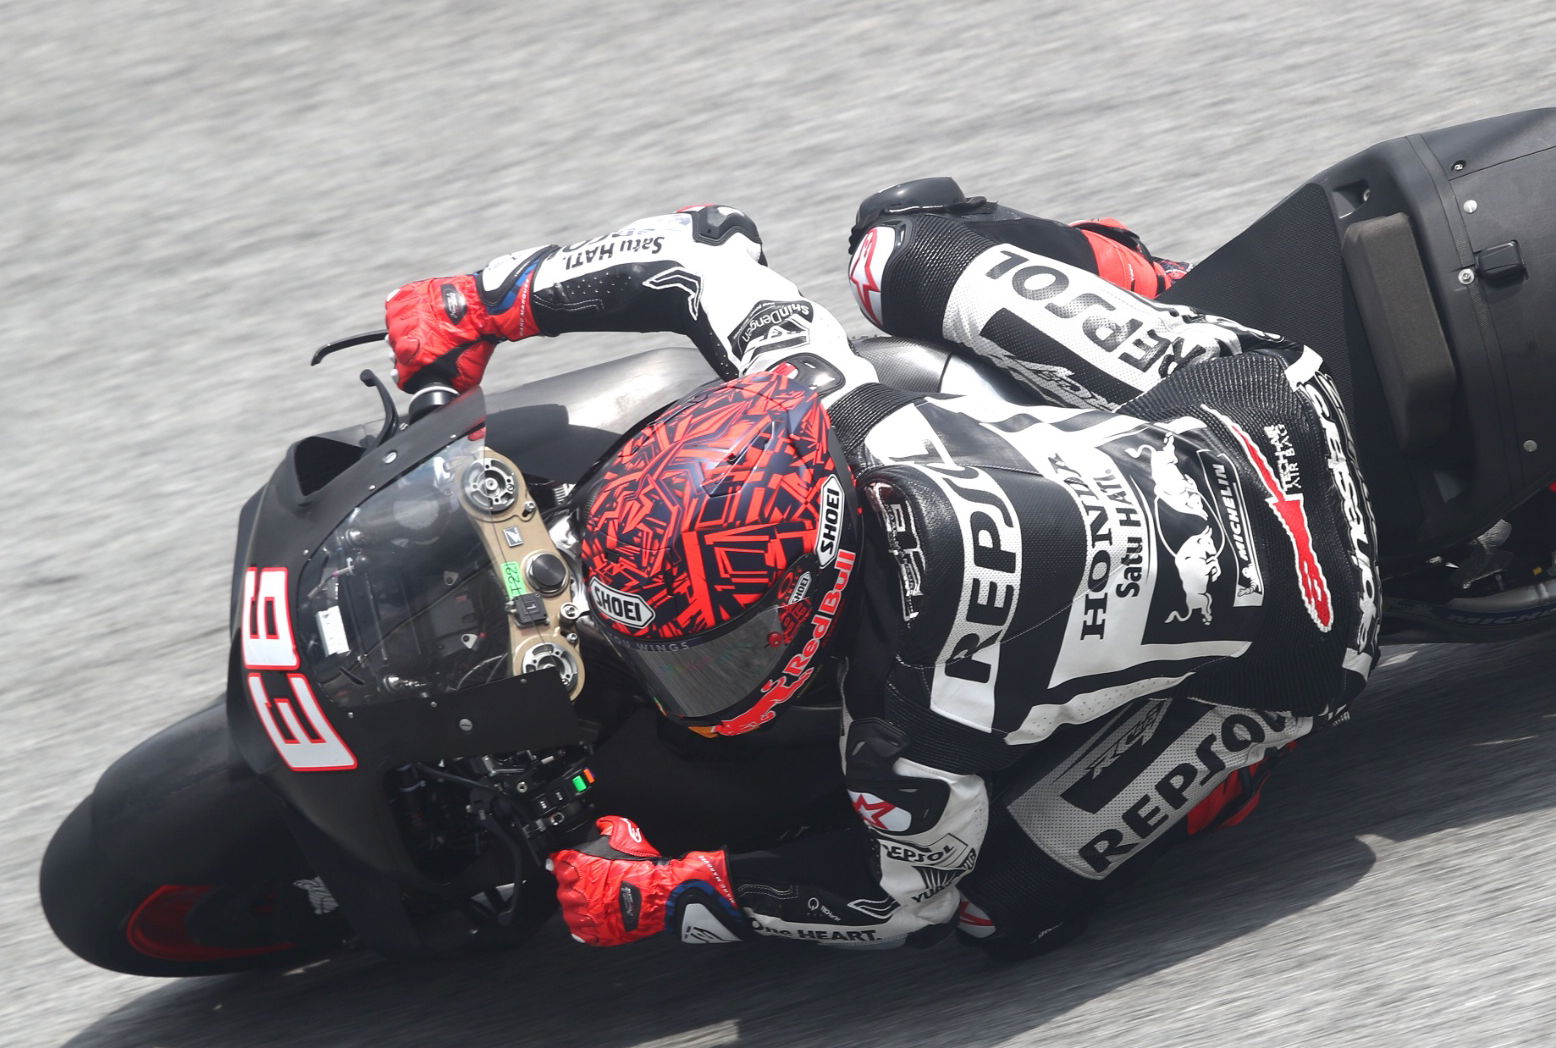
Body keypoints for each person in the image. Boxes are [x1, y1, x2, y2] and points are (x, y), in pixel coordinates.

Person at [381, 179, 1379, 958]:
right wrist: (485, 301)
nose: (676, 679)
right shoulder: (828, 397)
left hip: (1314, 632)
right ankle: (1141, 280)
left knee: (1000, 913)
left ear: (809, 598)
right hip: (1260, 397)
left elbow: (905, 901)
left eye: (709, 653)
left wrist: (676, 895)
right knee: (892, 241)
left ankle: (1234, 763)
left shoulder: (904, 727)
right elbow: (702, 246)